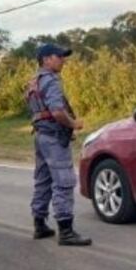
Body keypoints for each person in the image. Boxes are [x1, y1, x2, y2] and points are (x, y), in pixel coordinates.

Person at [27, 43, 91, 246]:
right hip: (53, 138)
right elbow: (56, 111)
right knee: (63, 181)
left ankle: (40, 225)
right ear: (46, 59)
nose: (63, 60)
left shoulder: (33, 81)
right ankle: (66, 231)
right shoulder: (51, 81)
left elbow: (41, 113)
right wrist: (73, 124)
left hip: (41, 135)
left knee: (43, 180)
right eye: (59, 56)